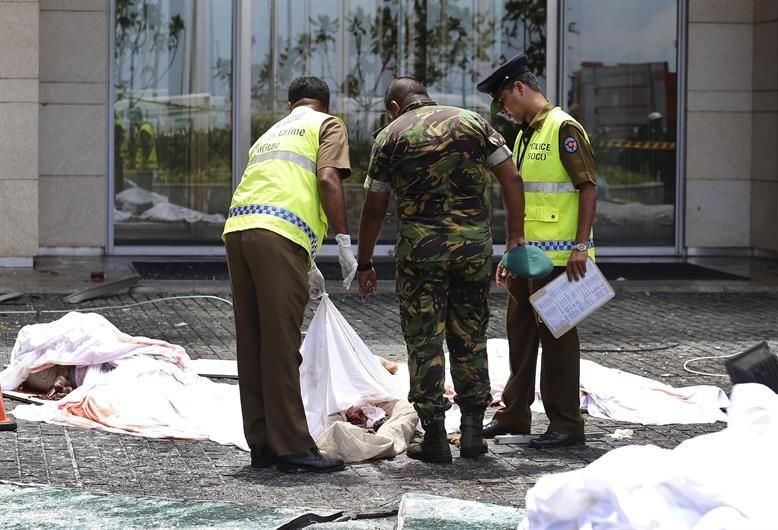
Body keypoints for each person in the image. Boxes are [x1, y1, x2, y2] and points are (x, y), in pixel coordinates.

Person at [356, 77, 526, 464]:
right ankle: (471, 433)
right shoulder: (474, 123)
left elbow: (375, 207)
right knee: (470, 336)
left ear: (395, 108)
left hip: (421, 255)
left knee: (424, 341)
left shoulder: (390, 136)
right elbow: (511, 178)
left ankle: (433, 436)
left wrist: (365, 263)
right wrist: (515, 235)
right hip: (472, 251)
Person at [222, 76, 357, 473]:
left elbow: (277, 190)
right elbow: (328, 179)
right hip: (276, 238)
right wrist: (344, 242)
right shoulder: (327, 125)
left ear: (291, 105)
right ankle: (294, 447)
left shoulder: (271, 132)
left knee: (254, 341)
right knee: (281, 343)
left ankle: (262, 443)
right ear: (325, 105)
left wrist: (307, 258)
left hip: (239, 232)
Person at [476, 53, 599, 449]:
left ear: (520, 88)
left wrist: (581, 245)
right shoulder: (527, 134)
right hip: (529, 259)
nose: (505, 111)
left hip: (563, 261)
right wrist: (512, 254)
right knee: (521, 335)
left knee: (559, 341)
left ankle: (566, 423)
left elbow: (588, 188)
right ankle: (514, 415)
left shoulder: (564, 128)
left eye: (504, 102)